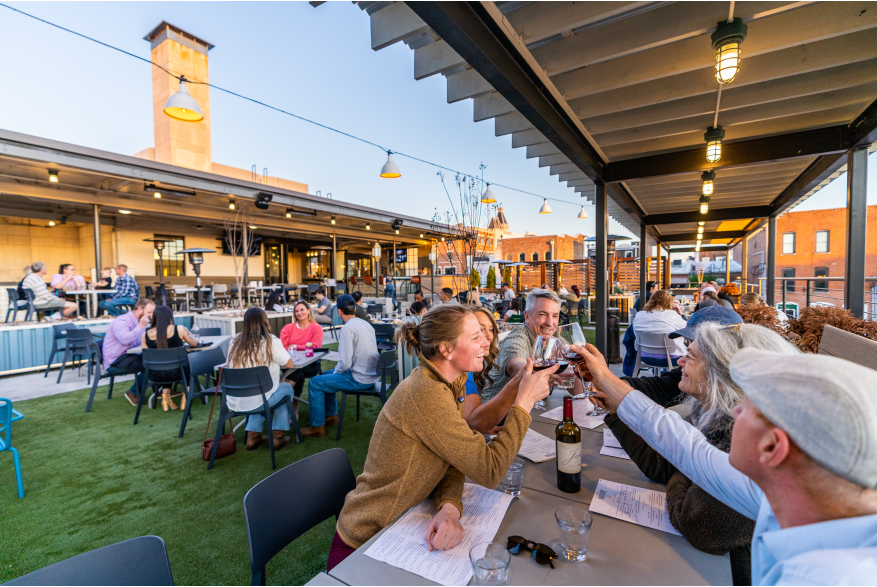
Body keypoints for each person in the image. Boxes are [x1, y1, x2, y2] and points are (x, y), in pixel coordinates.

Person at [578, 344, 877, 585]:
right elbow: (687, 448)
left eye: (747, 407)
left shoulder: (826, 576)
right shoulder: (782, 492)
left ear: (772, 447)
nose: (734, 410)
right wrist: (609, 384)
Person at [328, 304, 553, 571]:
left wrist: (449, 507)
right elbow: (490, 470)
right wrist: (523, 404)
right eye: (476, 336)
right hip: (365, 543)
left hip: (406, 526)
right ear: (446, 349)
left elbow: (452, 460)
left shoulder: (451, 384)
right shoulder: (427, 393)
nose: (487, 341)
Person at [606, 322, 800, 585]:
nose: (679, 360)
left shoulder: (745, 441)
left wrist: (686, 469)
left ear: (721, 375)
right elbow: (664, 464)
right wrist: (612, 407)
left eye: (691, 356)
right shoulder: (708, 414)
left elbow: (697, 523)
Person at [301, 295, 379, 438]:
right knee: (324, 376)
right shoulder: (366, 324)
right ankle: (331, 416)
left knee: (314, 383)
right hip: (370, 375)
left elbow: (345, 363)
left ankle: (317, 427)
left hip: (360, 379)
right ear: (354, 309)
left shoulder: (347, 328)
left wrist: (336, 373)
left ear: (339, 311)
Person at [225, 308, 295, 452]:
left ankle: (253, 436)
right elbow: (289, 364)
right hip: (259, 399)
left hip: (234, 399)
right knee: (286, 388)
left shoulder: (234, 340)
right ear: (265, 321)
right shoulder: (270, 341)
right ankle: (278, 436)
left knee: (260, 392)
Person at [480, 288, 561, 403]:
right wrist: (531, 373)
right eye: (543, 314)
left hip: (529, 408)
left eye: (555, 316)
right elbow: (516, 366)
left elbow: (575, 390)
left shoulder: (553, 342)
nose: (550, 322)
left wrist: (580, 366)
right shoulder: (517, 339)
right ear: (527, 316)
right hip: (497, 411)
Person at [141, 305, 198, 411]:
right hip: (178, 372)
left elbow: (146, 355)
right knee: (188, 366)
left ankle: (165, 398)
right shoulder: (179, 329)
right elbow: (194, 343)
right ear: (170, 317)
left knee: (165, 364)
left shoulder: (145, 335)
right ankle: (185, 397)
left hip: (155, 375)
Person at [102, 298, 155, 405]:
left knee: (156, 360)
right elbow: (124, 339)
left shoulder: (140, 321)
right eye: (149, 312)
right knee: (150, 365)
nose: (151, 315)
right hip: (115, 361)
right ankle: (133, 392)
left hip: (129, 355)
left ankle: (161, 391)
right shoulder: (122, 321)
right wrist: (141, 326)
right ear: (139, 309)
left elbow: (138, 342)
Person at [279, 300, 324, 420]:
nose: (299, 313)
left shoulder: (316, 328)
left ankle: (287, 405)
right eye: (297, 311)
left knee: (296, 371)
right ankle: (291, 406)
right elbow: (282, 346)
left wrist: (295, 346)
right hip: (290, 363)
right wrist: (305, 345)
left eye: (302, 310)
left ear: (308, 311)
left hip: (311, 364)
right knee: (296, 371)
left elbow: (315, 346)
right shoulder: (288, 328)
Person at [631, 290, 688, 361]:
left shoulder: (639, 315)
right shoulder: (671, 315)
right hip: (671, 358)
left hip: (644, 356)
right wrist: (681, 314)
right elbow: (688, 329)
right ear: (669, 302)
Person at [623, 280, 659, 375]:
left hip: (637, 331)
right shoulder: (649, 297)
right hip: (654, 353)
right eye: (657, 288)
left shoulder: (644, 295)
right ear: (651, 288)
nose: (658, 290)